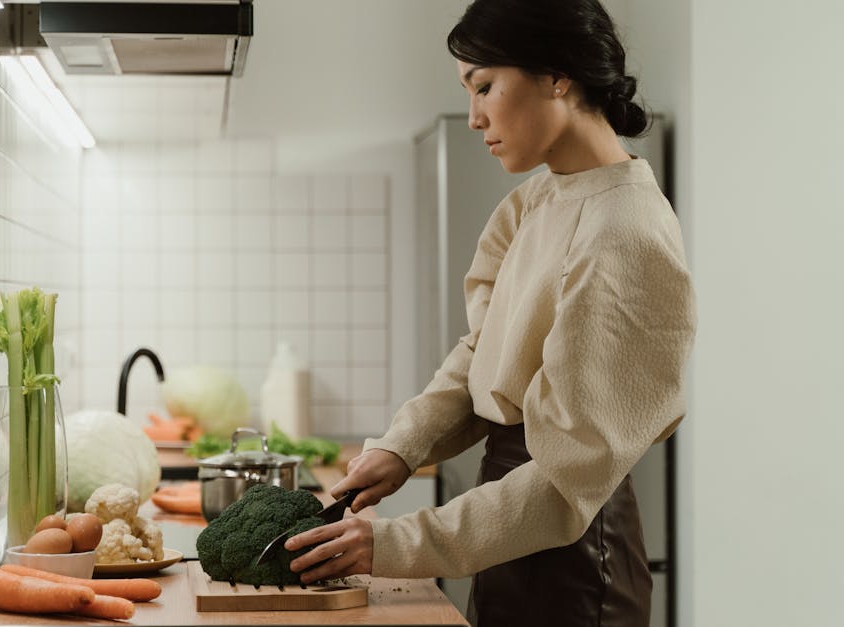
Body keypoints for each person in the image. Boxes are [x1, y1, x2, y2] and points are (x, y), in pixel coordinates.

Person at [283, 0, 697, 625]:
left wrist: (389, 543)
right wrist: (403, 446)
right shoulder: (535, 200)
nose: (475, 117)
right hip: (503, 527)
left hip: (576, 552)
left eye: (485, 86)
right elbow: (487, 349)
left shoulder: (625, 232)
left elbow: (564, 483)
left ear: (557, 75)